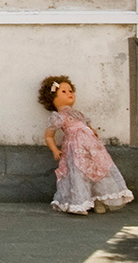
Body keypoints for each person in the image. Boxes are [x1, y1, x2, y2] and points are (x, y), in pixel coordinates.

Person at [39, 75, 133, 215]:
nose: (69, 94)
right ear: (52, 98)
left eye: (70, 91)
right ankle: (81, 201)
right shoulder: (58, 117)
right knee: (79, 173)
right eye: (63, 92)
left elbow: (86, 126)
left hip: (93, 149)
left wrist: (92, 132)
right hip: (76, 150)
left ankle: (98, 200)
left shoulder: (78, 114)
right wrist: (54, 149)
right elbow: (48, 135)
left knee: (98, 170)